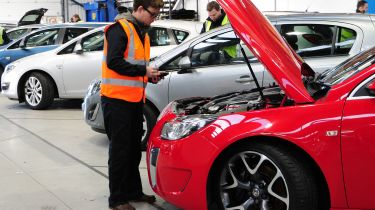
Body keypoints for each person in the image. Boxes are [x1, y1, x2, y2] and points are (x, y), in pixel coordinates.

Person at [100, 0, 164, 210]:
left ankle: (133, 191)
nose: (154, 19)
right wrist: (143, 72)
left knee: (133, 150)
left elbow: (136, 65)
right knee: (119, 151)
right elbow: (114, 62)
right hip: (116, 100)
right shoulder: (119, 29)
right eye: (152, 14)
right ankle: (117, 199)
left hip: (135, 100)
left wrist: (149, 76)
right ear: (138, 9)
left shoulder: (141, 31)